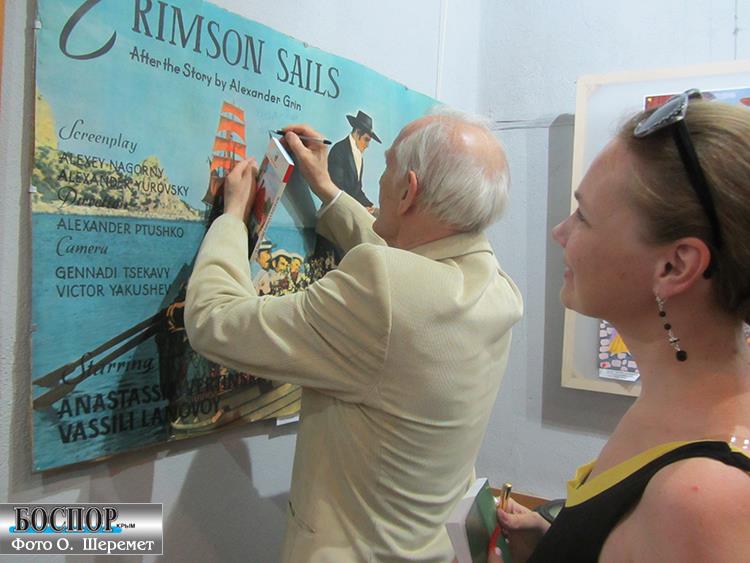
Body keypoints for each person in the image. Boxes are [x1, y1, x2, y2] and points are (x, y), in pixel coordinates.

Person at [184, 109, 523, 562]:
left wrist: (232, 217)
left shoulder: (387, 292)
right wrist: (327, 189)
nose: (378, 179)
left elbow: (215, 321)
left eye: (387, 167)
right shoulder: (494, 286)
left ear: (408, 192)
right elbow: (409, 276)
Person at [489, 92, 750, 563]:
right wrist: (554, 544)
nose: (561, 232)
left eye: (584, 217)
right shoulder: (677, 401)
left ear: (674, 266)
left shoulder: (702, 500)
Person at [327, 109, 381, 210]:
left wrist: (370, 206)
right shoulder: (339, 150)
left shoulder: (359, 156)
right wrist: (360, 209)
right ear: (357, 132)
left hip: (350, 209)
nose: (367, 145)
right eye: (366, 139)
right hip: (335, 209)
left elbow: (356, 191)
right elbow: (336, 188)